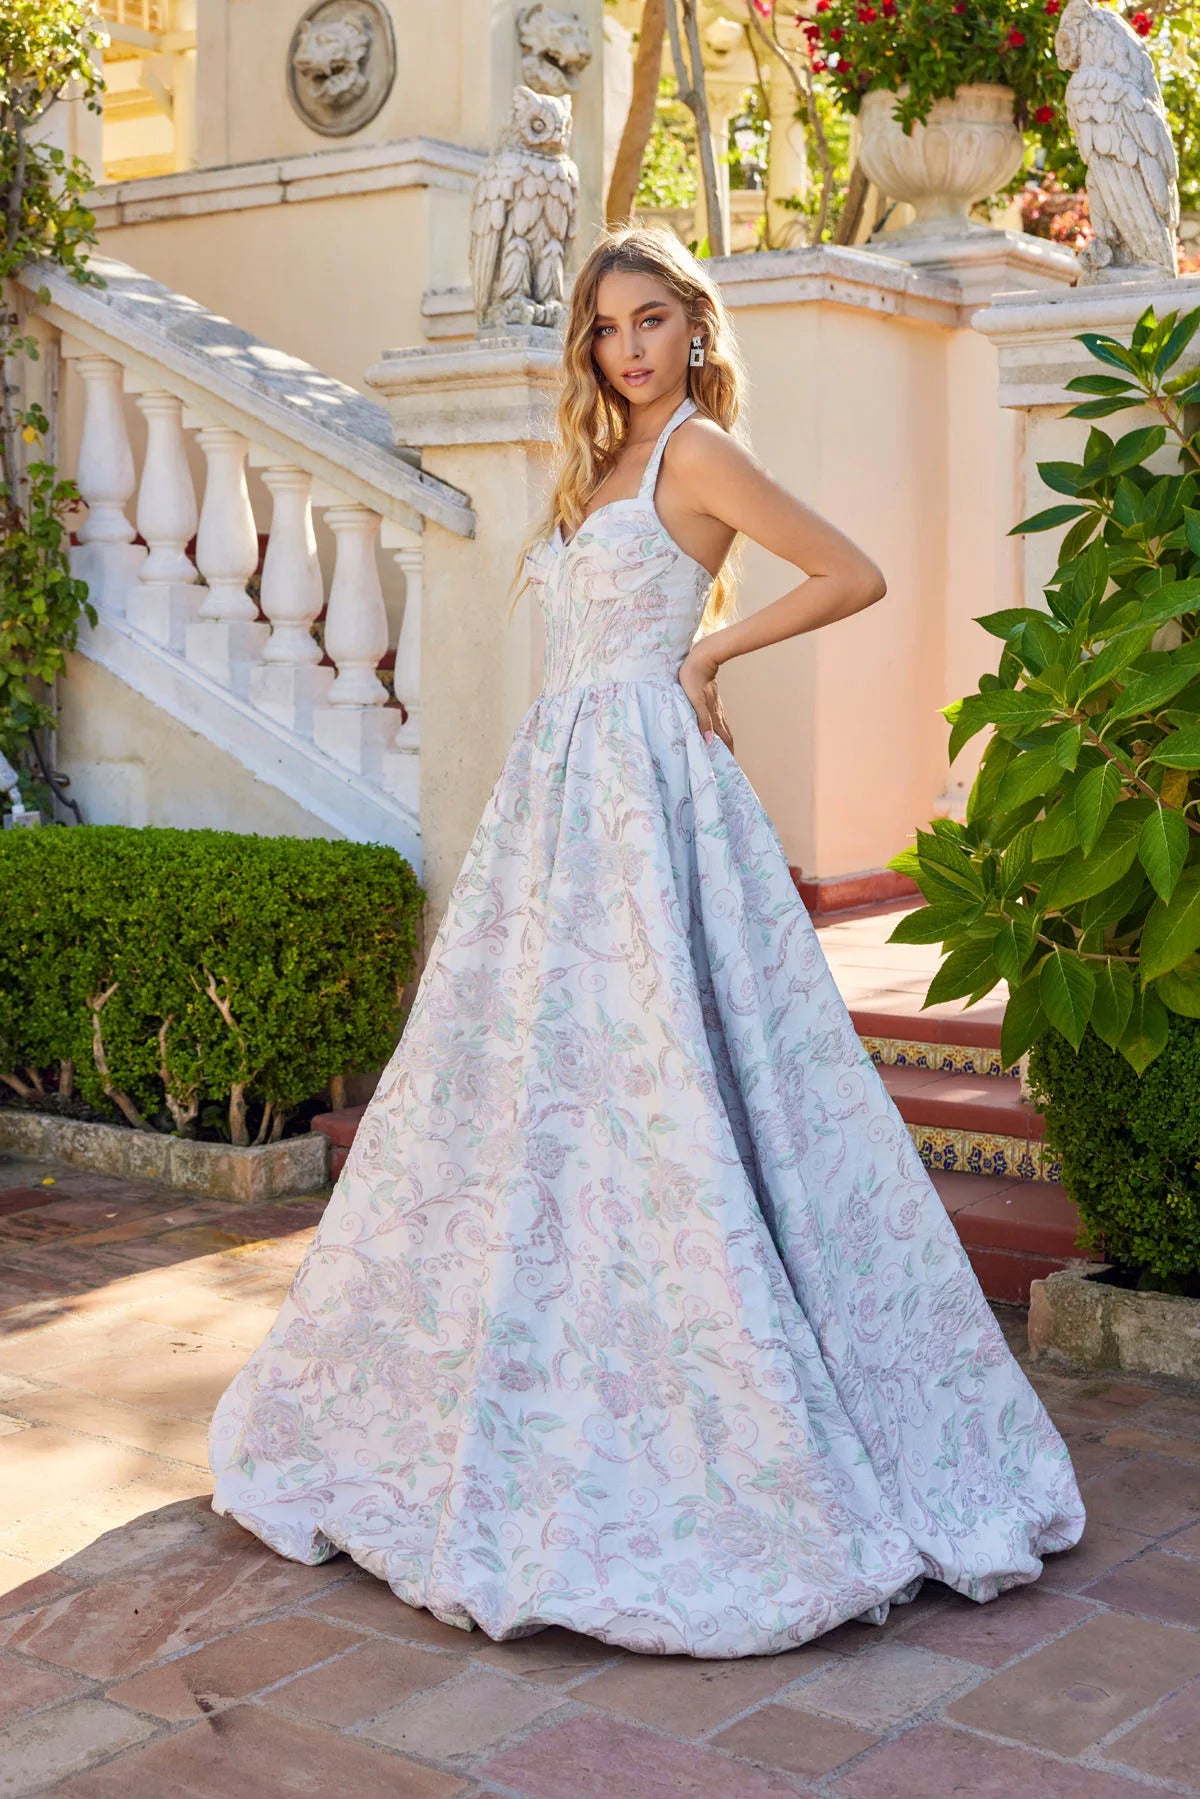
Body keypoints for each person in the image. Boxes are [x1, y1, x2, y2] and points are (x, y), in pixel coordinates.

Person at [208, 225, 1085, 1659]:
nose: (628, 346)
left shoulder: (695, 451)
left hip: (646, 794)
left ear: (693, 326)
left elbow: (850, 573)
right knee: (536, 1099)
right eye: (608, 325)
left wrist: (705, 657)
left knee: (677, 1075)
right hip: (555, 799)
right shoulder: (596, 463)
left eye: (653, 318)